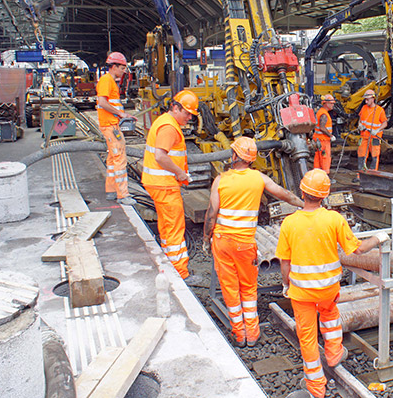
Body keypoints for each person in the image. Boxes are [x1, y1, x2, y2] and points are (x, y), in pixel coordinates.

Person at [276, 169, 388, 398]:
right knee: (329, 318)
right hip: (328, 289)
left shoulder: (289, 223)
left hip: (301, 293)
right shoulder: (334, 219)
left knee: (306, 336)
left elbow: (284, 263)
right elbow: (358, 249)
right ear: (325, 195)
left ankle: (316, 388)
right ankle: (334, 353)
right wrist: (379, 238)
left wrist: (286, 284)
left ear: (302, 191)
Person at [203, 137, 304, 347]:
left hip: (222, 242)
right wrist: (305, 204)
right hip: (245, 244)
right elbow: (285, 195)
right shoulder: (259, 178)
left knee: (230, 288)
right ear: (251, 159)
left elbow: (211, 214)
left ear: (234, 156)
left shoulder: (220, 180)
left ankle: (239, 335)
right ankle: (253, 334)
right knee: (248, 288)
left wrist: (206, 238)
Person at [142, 90, 202, 285]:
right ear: (175, 108)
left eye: (192, 114)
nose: (189, 117)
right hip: (164, 185)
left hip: (160, 184)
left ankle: (169, 263)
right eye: (187, 113)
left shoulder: (166, 122)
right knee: (175, 227)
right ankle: (181, 273)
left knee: (168, 226)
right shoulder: (168, 127)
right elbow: (160, 156)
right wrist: (180, 173)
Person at [96, 52, 137, 205]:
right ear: (113, 67)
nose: (124, 71)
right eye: (122, 68)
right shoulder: (106, 80)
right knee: (120, 159)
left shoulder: (110, 81)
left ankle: (111, 191)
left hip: (111, 123)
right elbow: (103, 102)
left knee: (113, 160)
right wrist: (120, 113)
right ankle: (123, 195)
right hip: (110, 125)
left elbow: (110, 104)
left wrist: (122, 115)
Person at [357, 89, 387, 171]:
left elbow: (385, 123)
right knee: (361, 156)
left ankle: (373, 174)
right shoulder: (363, 108)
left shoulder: (379, 110)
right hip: (364, 136)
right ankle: (360, 175)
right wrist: (360, 125)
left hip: (374, 137)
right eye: (365, 99)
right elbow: (360, 119)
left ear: (373, 98)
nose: (366, 102)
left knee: (374, 156)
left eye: (367, 99)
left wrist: (377, 130)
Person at [313, 94, 336, 173]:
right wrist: (331, 136)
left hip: (318, 140)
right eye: (332, 103)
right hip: (323, 141)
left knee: (318, 159)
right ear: (326, 103)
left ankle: (317, 176)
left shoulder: (321, 112)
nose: (333, 105)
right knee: (325, 159)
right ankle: (325, 177)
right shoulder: (324, 114)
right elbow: (322, 127)